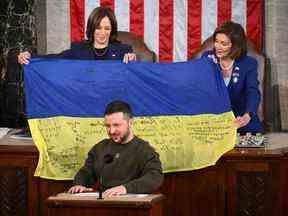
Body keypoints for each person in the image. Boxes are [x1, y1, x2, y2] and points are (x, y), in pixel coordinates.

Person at [68, 100, 163, 197]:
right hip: (103, 203)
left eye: (116, 125)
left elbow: (154, 177)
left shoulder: (145, 150)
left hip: (131, 204)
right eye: (108, 126)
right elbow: (86, 172)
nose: (111, 131)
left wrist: (125, 188)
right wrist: (79, 184)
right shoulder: (99, 148)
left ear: (130, 123)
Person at [201, 21, 263, 134]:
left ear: (235, 46)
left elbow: (252, 92)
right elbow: (199, 89)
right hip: (214, 123)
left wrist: (247, 115)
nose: (217, 47)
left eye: (223, 44)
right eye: (216, 41)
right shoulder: (207, 58)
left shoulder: (248, 63)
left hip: (241, 121)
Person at [17, 6, 136, 64]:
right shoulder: (78, 49)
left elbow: (136, 76)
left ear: (112, 30)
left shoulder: (124, 51)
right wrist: (30, 56)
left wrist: (133, 62)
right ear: (91, 28)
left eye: (107, 28)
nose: (102, 33)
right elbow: (55, 58)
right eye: (98, 28)